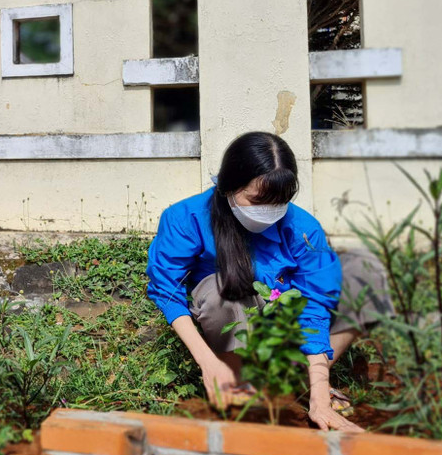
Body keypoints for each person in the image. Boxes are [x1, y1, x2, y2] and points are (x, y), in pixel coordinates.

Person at [146, 131, 392, 432]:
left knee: (365, 275)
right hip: (234, 325)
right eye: (259, 200)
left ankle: (304, 380)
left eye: (280, 201)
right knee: (221, 291)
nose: (270, 211)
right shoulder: (187, 218)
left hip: (287, 320)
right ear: (228, 187)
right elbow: (166, 288)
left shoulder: (303, 229)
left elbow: (314, 305)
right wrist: (207, 363)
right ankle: (237, 382)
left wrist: (319, 391)